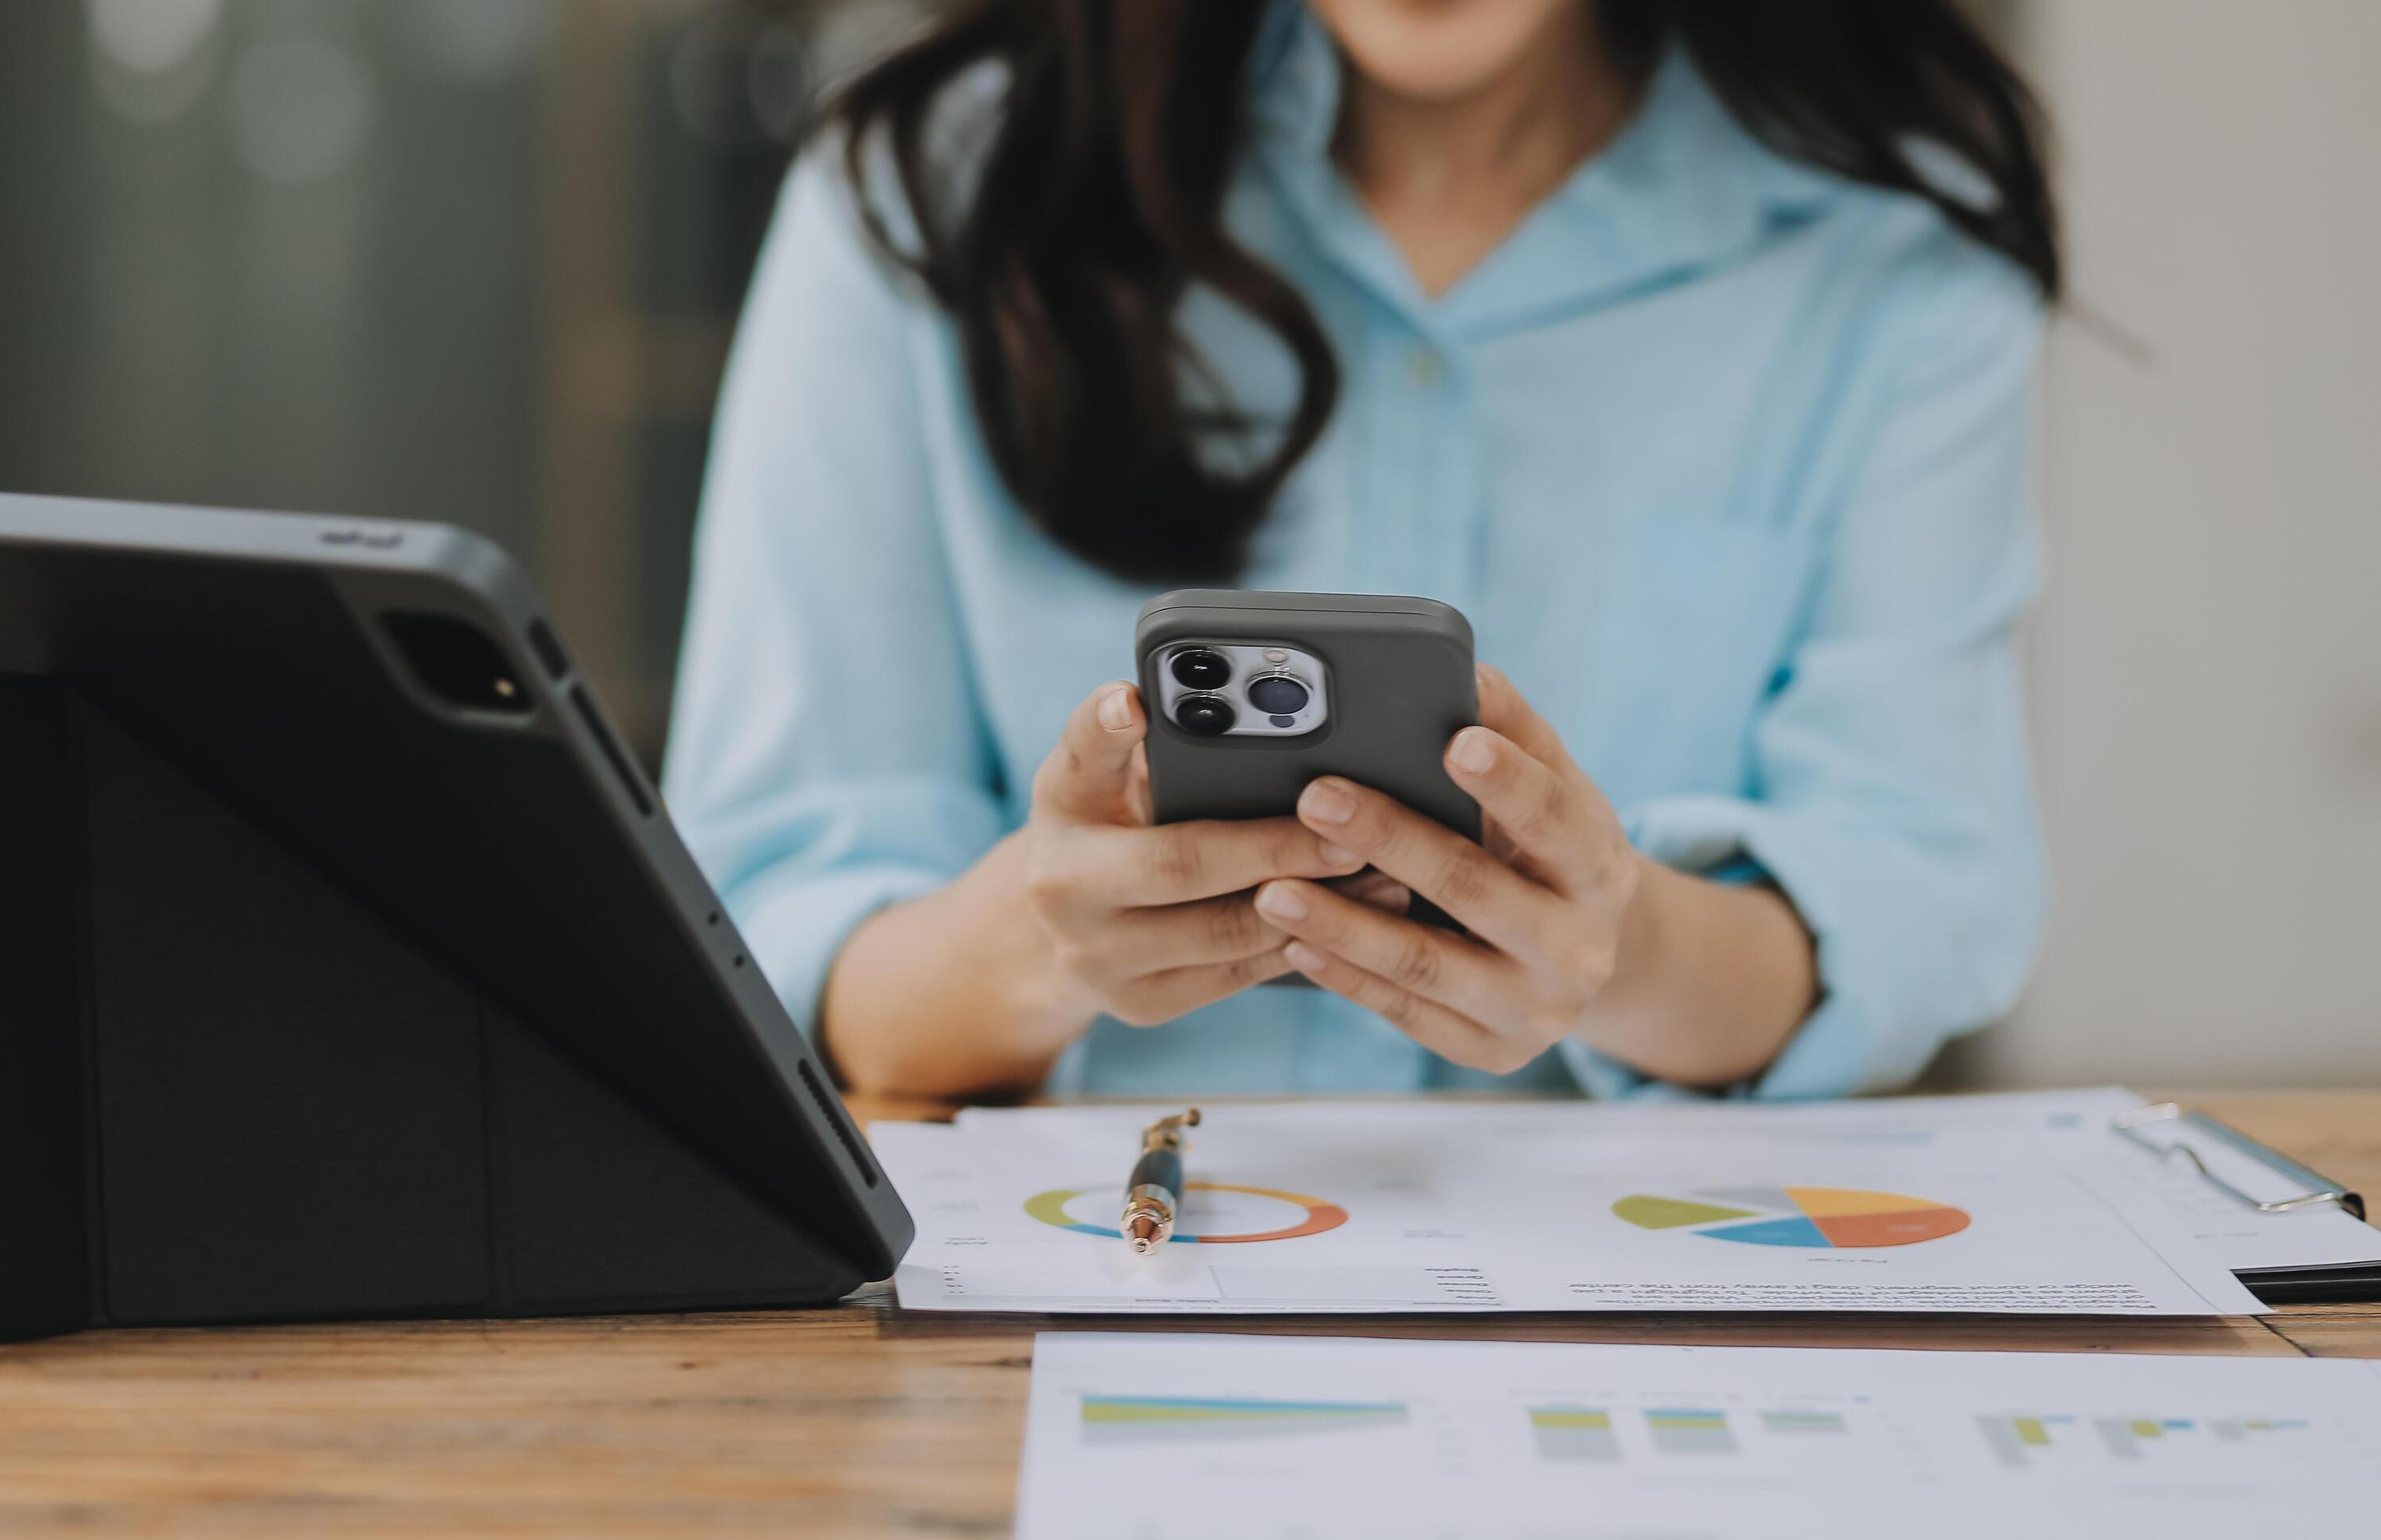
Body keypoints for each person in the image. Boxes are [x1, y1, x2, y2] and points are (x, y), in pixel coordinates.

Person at [664, 0, 2055, 1103]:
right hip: (1080, 1298)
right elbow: (766, 945)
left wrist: (1620, 950)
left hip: (1621, 1313)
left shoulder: (1893, 254)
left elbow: (1909, 895)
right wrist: (1045, 943)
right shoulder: (922, 194)